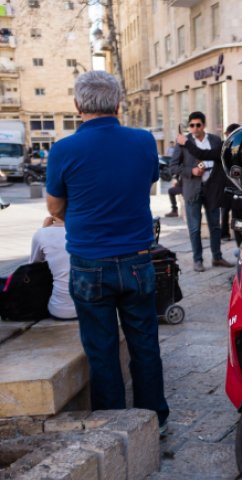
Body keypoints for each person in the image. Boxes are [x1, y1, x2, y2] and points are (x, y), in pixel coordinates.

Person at [45, 70, 169, 433]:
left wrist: (79, 216)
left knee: (101, 348)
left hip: (89, 263)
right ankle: (153, 419)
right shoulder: (144, 141)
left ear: (77, 106)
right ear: (118, 103)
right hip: (137, 259)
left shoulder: (64, 149)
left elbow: (55, 207)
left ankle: (113, 425)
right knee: (144, 342)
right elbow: (145, 185)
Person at [171, 112, 235, 272]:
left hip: (213, 189)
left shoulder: (214, 140)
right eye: (191, 125)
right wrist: (191, 171)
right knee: (194, 228)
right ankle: (197, 260)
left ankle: (217, 257)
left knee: (215, 226)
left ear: (204, 125)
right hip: (192, 189)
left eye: (198, 125)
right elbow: (173, 166)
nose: (194, 128)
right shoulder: (182, 142)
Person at [29, 215, 76, 320]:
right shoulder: (89, 230)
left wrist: (44, 230)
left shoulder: (41, 234)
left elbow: (34, 266)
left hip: (60, 309)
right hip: (94, 308)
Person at [219, 123, 240, 241]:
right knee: (226, 211)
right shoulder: (224, 146)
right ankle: (225, 233)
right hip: (229, 184)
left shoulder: (226, 146)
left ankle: (227, 234)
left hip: (232, 184)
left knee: (229, 211)